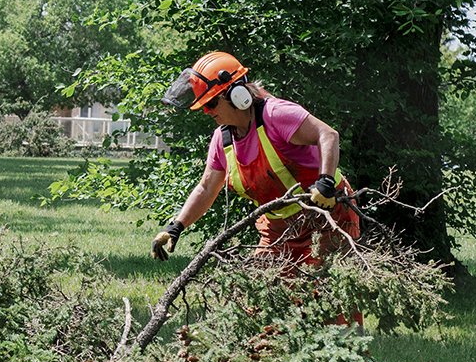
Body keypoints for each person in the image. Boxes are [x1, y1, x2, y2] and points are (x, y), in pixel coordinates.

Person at [150, 51, 360, 269]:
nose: (205, 111)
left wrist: (325, 182)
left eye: (211, 103)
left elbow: (327, 135)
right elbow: (206, 187)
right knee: (264, 294)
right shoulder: (223, 141)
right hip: (278, 229)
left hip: (326, 216)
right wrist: (176, 226)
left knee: (325, 290)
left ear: (237, 95)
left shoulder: (276, 114)